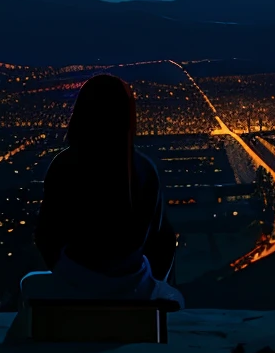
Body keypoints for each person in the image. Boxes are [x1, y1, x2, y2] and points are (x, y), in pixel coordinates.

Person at [22, 74, 182, 305]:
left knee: (29, 284)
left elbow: (47, 234)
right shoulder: (144, 167)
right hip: (133, 281)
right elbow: (161, 239)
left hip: (75, 276)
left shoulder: (64, 164)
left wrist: (69, 271)